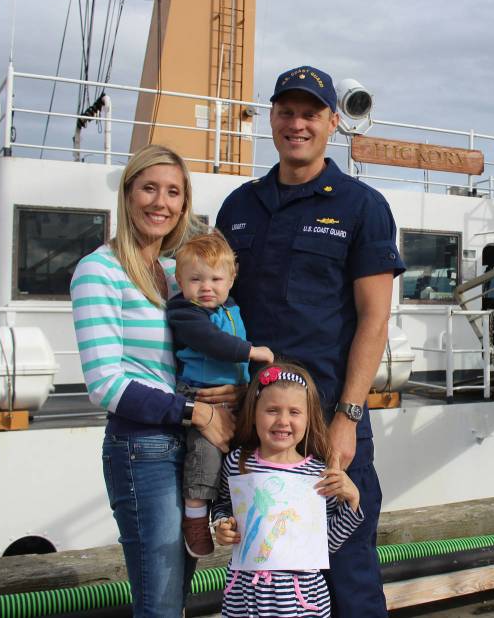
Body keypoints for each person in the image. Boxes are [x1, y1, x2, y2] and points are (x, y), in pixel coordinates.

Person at [216, 65, 405, 617]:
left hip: (326, 419)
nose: (297, 124)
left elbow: (374, 321)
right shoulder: (240, 207)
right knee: (265, 574)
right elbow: (219, 309)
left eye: (310, 113)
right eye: (286, 112)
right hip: (258, 425)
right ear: (272, 118)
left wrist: (347, 416)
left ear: (331, 122)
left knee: (348, 569)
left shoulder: (361, 207)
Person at [71, 144, 238, 617]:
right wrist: (198, 412)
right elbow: (105, 384)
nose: (160, 203)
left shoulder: (175, 271)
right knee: (160, 601)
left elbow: (201, 350)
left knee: (180, 593)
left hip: (189, 442)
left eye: (173, 192)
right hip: (142, 447)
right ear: (127, 195)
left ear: (184, 205)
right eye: (149, 188)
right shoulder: (98, 271)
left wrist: (234, 389)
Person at [213, 362, 364, 617]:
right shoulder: (237, 462)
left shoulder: (318, 473)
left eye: (294, 412)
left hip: (301, 598)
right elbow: (223, 506)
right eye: (272, 410)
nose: (283, 421)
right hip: (245, 597)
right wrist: (222, 525)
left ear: (308, 418)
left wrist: (353, 500)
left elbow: (325, 543)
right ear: (254, 412)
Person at [166, 231, 275, 557]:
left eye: (216, 278)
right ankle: (196, 516)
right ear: (179, 280)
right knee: (205, 451)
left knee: (242, 451)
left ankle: (235, 512)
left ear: (231, 279)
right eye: (196, 279)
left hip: (232, 397)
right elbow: (212, 342)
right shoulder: (185, 312)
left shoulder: (231, 307)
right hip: (200, 394)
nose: (206, 287)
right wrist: (252, 353)